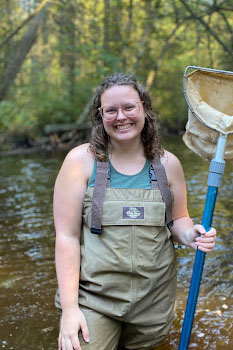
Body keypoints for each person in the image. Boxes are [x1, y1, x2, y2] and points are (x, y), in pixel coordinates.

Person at [54, 73, 217, 350]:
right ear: (100, 115)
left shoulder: (169, 164)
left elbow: (177, 220)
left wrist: (192, 235)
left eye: (129, 107)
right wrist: (70, 310)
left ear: (144, 109)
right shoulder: (79, 162)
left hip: (153, 301)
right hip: (95, 299)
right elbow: (66, 237)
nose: (121, 116)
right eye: (111, 110)